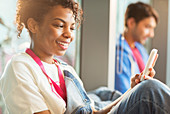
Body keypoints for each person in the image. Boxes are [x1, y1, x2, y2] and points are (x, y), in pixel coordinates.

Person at [0, 0, 169, 114]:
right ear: (33, 25)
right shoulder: (20, 66)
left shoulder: (65, 69)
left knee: (144, 89)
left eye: (72, 28)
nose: (68, 35)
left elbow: (95, 112)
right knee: (150, 91)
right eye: (59, 25)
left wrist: (132, 92)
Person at [115, 2, 159, 94]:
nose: (151, 34)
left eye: (153, 28)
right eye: (147, 27)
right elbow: (121, 92)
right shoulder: (119, 53)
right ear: (131, 23)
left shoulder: (140, 49)